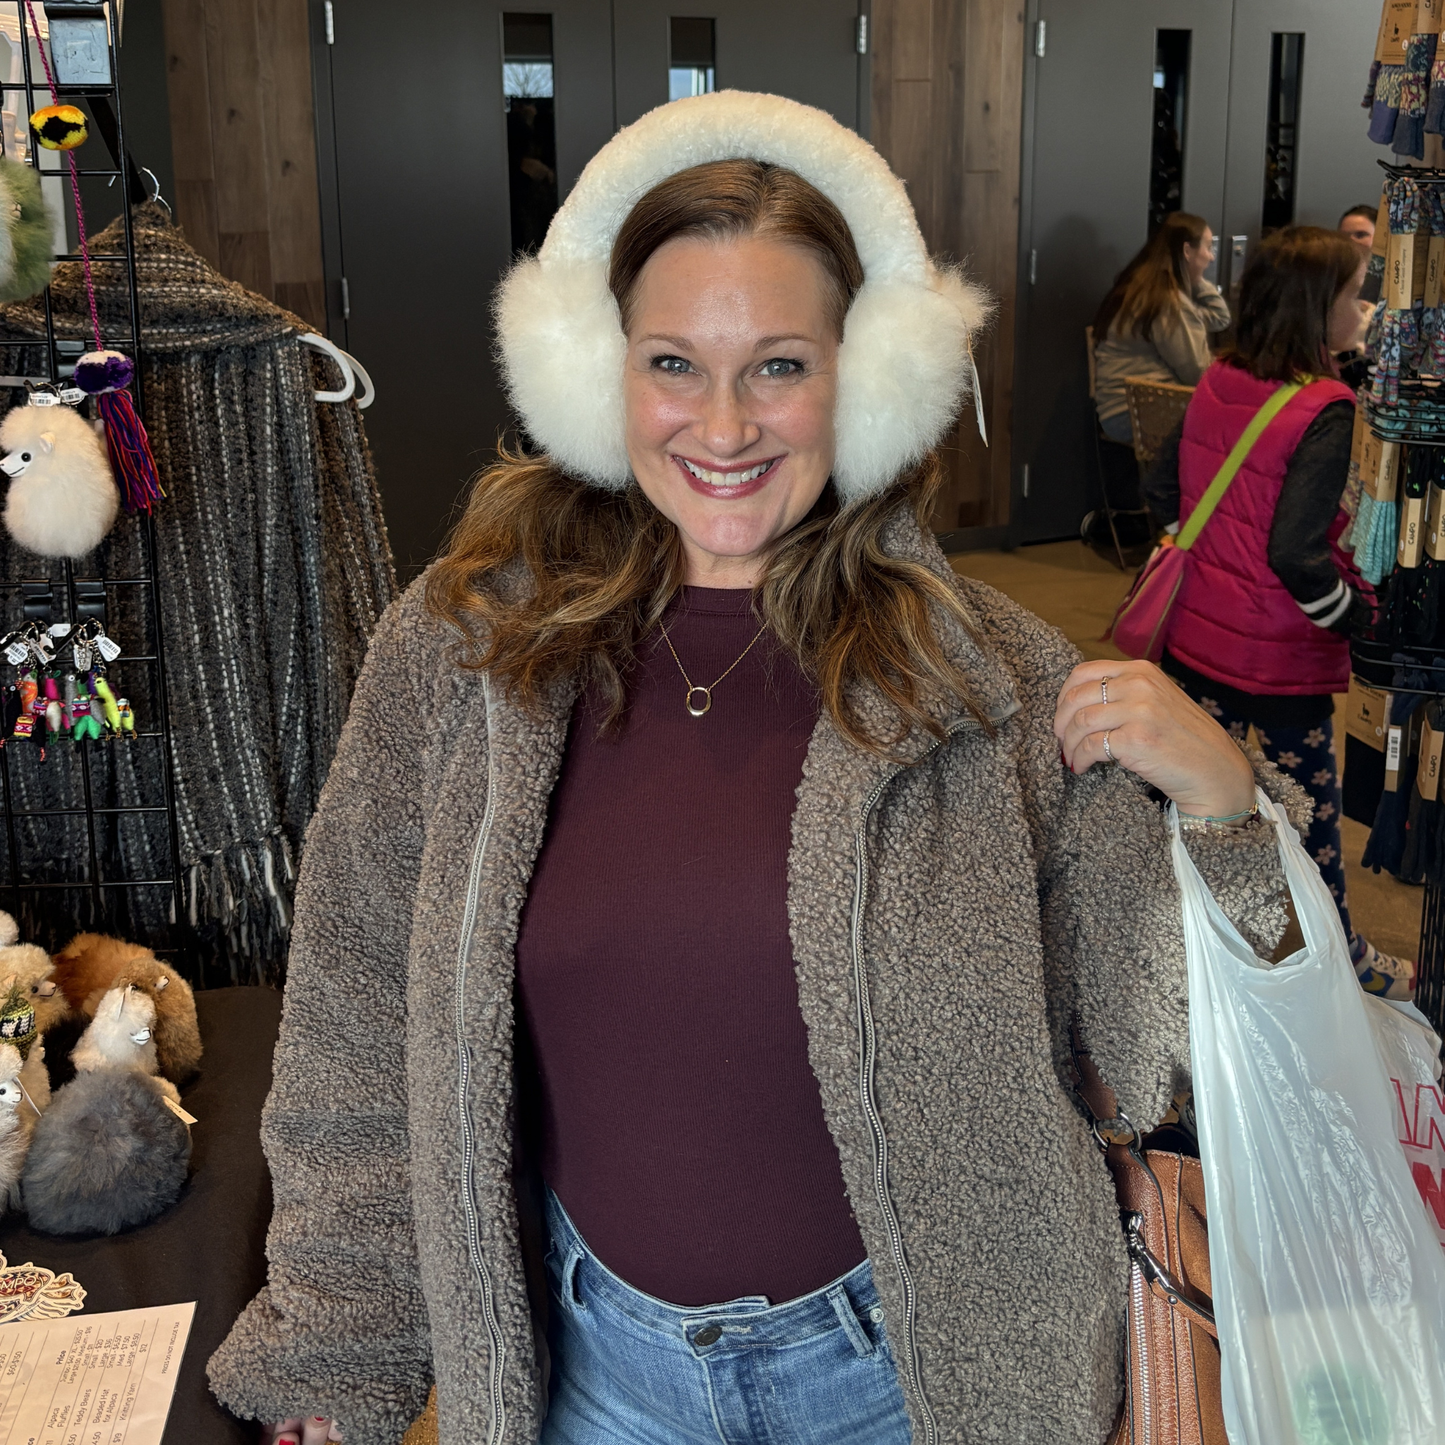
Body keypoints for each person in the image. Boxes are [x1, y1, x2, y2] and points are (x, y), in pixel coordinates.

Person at [210, 94, 1304, 1445]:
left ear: (869, 377)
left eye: (779, 364)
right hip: (595, 1380)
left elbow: (1172, 1053)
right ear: (595, 372)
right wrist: (337, 1348)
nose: (723, 426)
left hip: (918, 1386)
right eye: (673, 362)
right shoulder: (463, 654)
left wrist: (1223, 810)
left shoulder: (991, 684)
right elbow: (356, 1019)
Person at [1143, 225, 1411, 1000]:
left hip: (1194, 638)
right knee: (1310, 818)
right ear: (1314, 306)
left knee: (1192, 802)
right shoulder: (1324, 408)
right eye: (1352, 294)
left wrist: (1213, 564)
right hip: (1278, 658)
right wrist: (1357, 620)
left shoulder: (1219, 376)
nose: (1361, 308)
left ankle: (1179, 955)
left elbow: (1160, 487)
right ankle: (1338, 957)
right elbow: (1297, 555)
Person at [1092, 212, 1231, 446]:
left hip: (1121, 410)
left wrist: (1193, 277)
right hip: (1144, 411)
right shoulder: (1168, 302)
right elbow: (1197, 373)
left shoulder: (1141, 288)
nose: (1211, 257)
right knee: (1237, 424)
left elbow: (1219, 317)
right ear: (1187, 251)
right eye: (1208, 247)